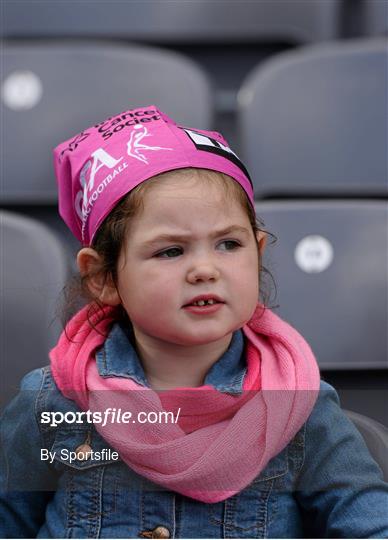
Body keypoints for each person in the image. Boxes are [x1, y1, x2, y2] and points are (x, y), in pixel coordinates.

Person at [1, 105, 387, 539]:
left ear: (258, 252)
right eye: (171, 251)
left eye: (228, 244)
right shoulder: (51, 403)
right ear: (103, 277)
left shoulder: (299, 403)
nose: (205, 269)